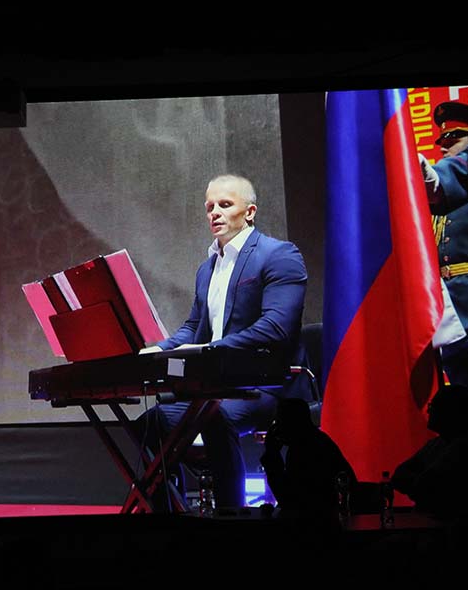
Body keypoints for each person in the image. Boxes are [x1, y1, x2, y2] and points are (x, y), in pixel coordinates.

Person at [137, 174, 312, 510]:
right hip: (217, 387)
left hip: (267, 386)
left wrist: (210, 351)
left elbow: (276, 327)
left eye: (225, 204)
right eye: (209, 207)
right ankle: (170, 512)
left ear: (250, 212)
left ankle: (231, 515)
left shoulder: (279, 255)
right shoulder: (207, 269)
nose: (214, 212)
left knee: (213, 415)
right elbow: (194, 328)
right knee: (149, 424)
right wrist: (159, 349)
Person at [419, 100, 468, 470]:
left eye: (455, 138)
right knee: (463, 413)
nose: (445, 146)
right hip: (450, 316)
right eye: (442, 140)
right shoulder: (439, 199)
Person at [391, 383, 468, 518]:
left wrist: (416, 483)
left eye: (433, 407)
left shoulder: (467, 447)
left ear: (450, 412)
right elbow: (400, 476)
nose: (428, 411)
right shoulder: (436, 444)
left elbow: (424, 486)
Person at [260, 398, 356, 521]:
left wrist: (272, 455)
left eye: (279, 421)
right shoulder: (318, 441)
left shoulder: (304, 450)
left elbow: (289, 501)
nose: (276, 428)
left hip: (315, 524)